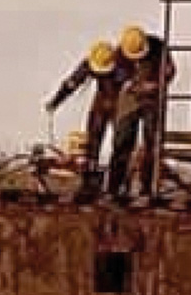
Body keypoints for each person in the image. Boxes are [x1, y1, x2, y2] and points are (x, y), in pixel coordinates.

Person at [44, 39, 125, 194]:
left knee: (122, 144)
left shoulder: (123, 65)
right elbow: (72, 83)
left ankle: (117, 185)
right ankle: (91, 183)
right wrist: (55, 101)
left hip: (121, 100)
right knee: (92, 141)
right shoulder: (90, 63)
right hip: (102, 100)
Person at [107, 24, 176, 197]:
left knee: (151, 144)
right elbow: (117, 78)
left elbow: (170, 70)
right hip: (128, 100)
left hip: (153, 100)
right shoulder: (119, 54)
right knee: (121, 143)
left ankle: (147, 189)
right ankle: (114, 188)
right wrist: (134, 86)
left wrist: (156, 84)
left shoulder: (159, 47)